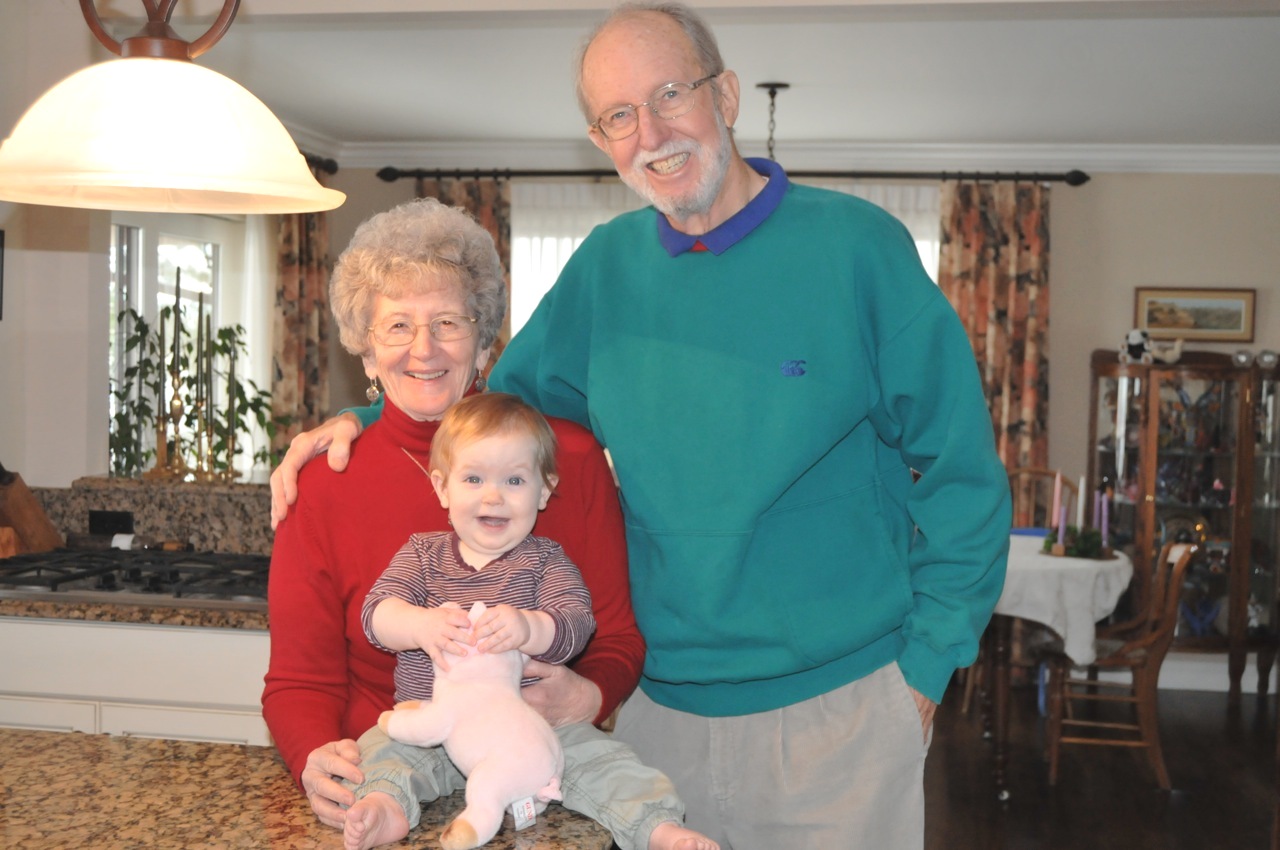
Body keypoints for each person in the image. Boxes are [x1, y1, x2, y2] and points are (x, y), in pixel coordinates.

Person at [270, 3, 1012, 847]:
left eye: (670, 94)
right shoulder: (605, 269)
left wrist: (925, 668)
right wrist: (364, 419)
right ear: (599, 139)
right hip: (655, 722)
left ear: (725, 95)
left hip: (839, 713)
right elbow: (491, 418)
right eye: (618, 115)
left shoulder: (857, 249)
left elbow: (962, 474)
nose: (651, 133)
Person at [262, 197, 702, 850]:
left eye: (448, 322)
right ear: (366, 352)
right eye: (397, 326)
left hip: (536, 778)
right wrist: (313, 756)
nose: (424, 348)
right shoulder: (324, 483)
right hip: (384, 778)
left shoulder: (568, 461)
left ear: (485, 339)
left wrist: (590, 693)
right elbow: (300, 679)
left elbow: (615, 637)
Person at [343, 392, 715, 850]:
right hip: (433, 727)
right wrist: (419, 625)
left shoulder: (545, 561)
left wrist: (529, 628)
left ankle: (658, 827)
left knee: (604, 760)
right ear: (442, 487)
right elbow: (375, 614)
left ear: (543, 490)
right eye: (474, 478)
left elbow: (576, 625)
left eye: (515, 480)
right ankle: (384, 807)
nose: (493, 496)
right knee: (381, 749)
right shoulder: (422, 554)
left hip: (532, 729)